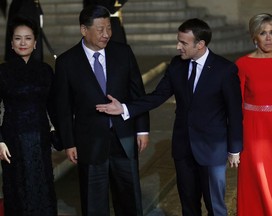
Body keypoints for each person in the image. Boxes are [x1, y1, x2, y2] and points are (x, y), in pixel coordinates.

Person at [96, 18, 243, 215]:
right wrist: (124, 108)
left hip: (212, 149)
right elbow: (157, 96)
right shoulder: (176, 65)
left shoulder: (225, 69)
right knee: (188, 205)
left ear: (200, 45)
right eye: (178, 41)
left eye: (183, 43)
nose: (178, 46)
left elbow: (234, 112)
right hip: (183, 148)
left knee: (215, 206)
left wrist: (234, 149)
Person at [54, 5, 149, 216]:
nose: (106, 34)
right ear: (83, 30)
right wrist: (69, 142)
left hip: (124, 138)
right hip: (90, 142)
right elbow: (63, 107)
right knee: (93, 202)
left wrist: (142, 130)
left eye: (109, 28)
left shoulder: (123, 52)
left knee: (130, 199)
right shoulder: (67, 62)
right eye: (100, 29)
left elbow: (138, 95)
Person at [0, 16, 58, 216]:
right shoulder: (2, 71)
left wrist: (59, 135)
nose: (23, 43)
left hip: (41, 138)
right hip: (12, 140)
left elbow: (54, 106)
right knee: (17, 188)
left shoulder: (45, 71)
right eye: (18, 38)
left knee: (42, 186)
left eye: (27, 38)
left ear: (35, 43)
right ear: (11, 43)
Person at [235, 13, 272, 216]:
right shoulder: (243, 64)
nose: (268, 38)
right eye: (262, 33)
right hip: (254, 130)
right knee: (258, 176)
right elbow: (236, 104)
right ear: (254, 37)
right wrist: (235, 140)